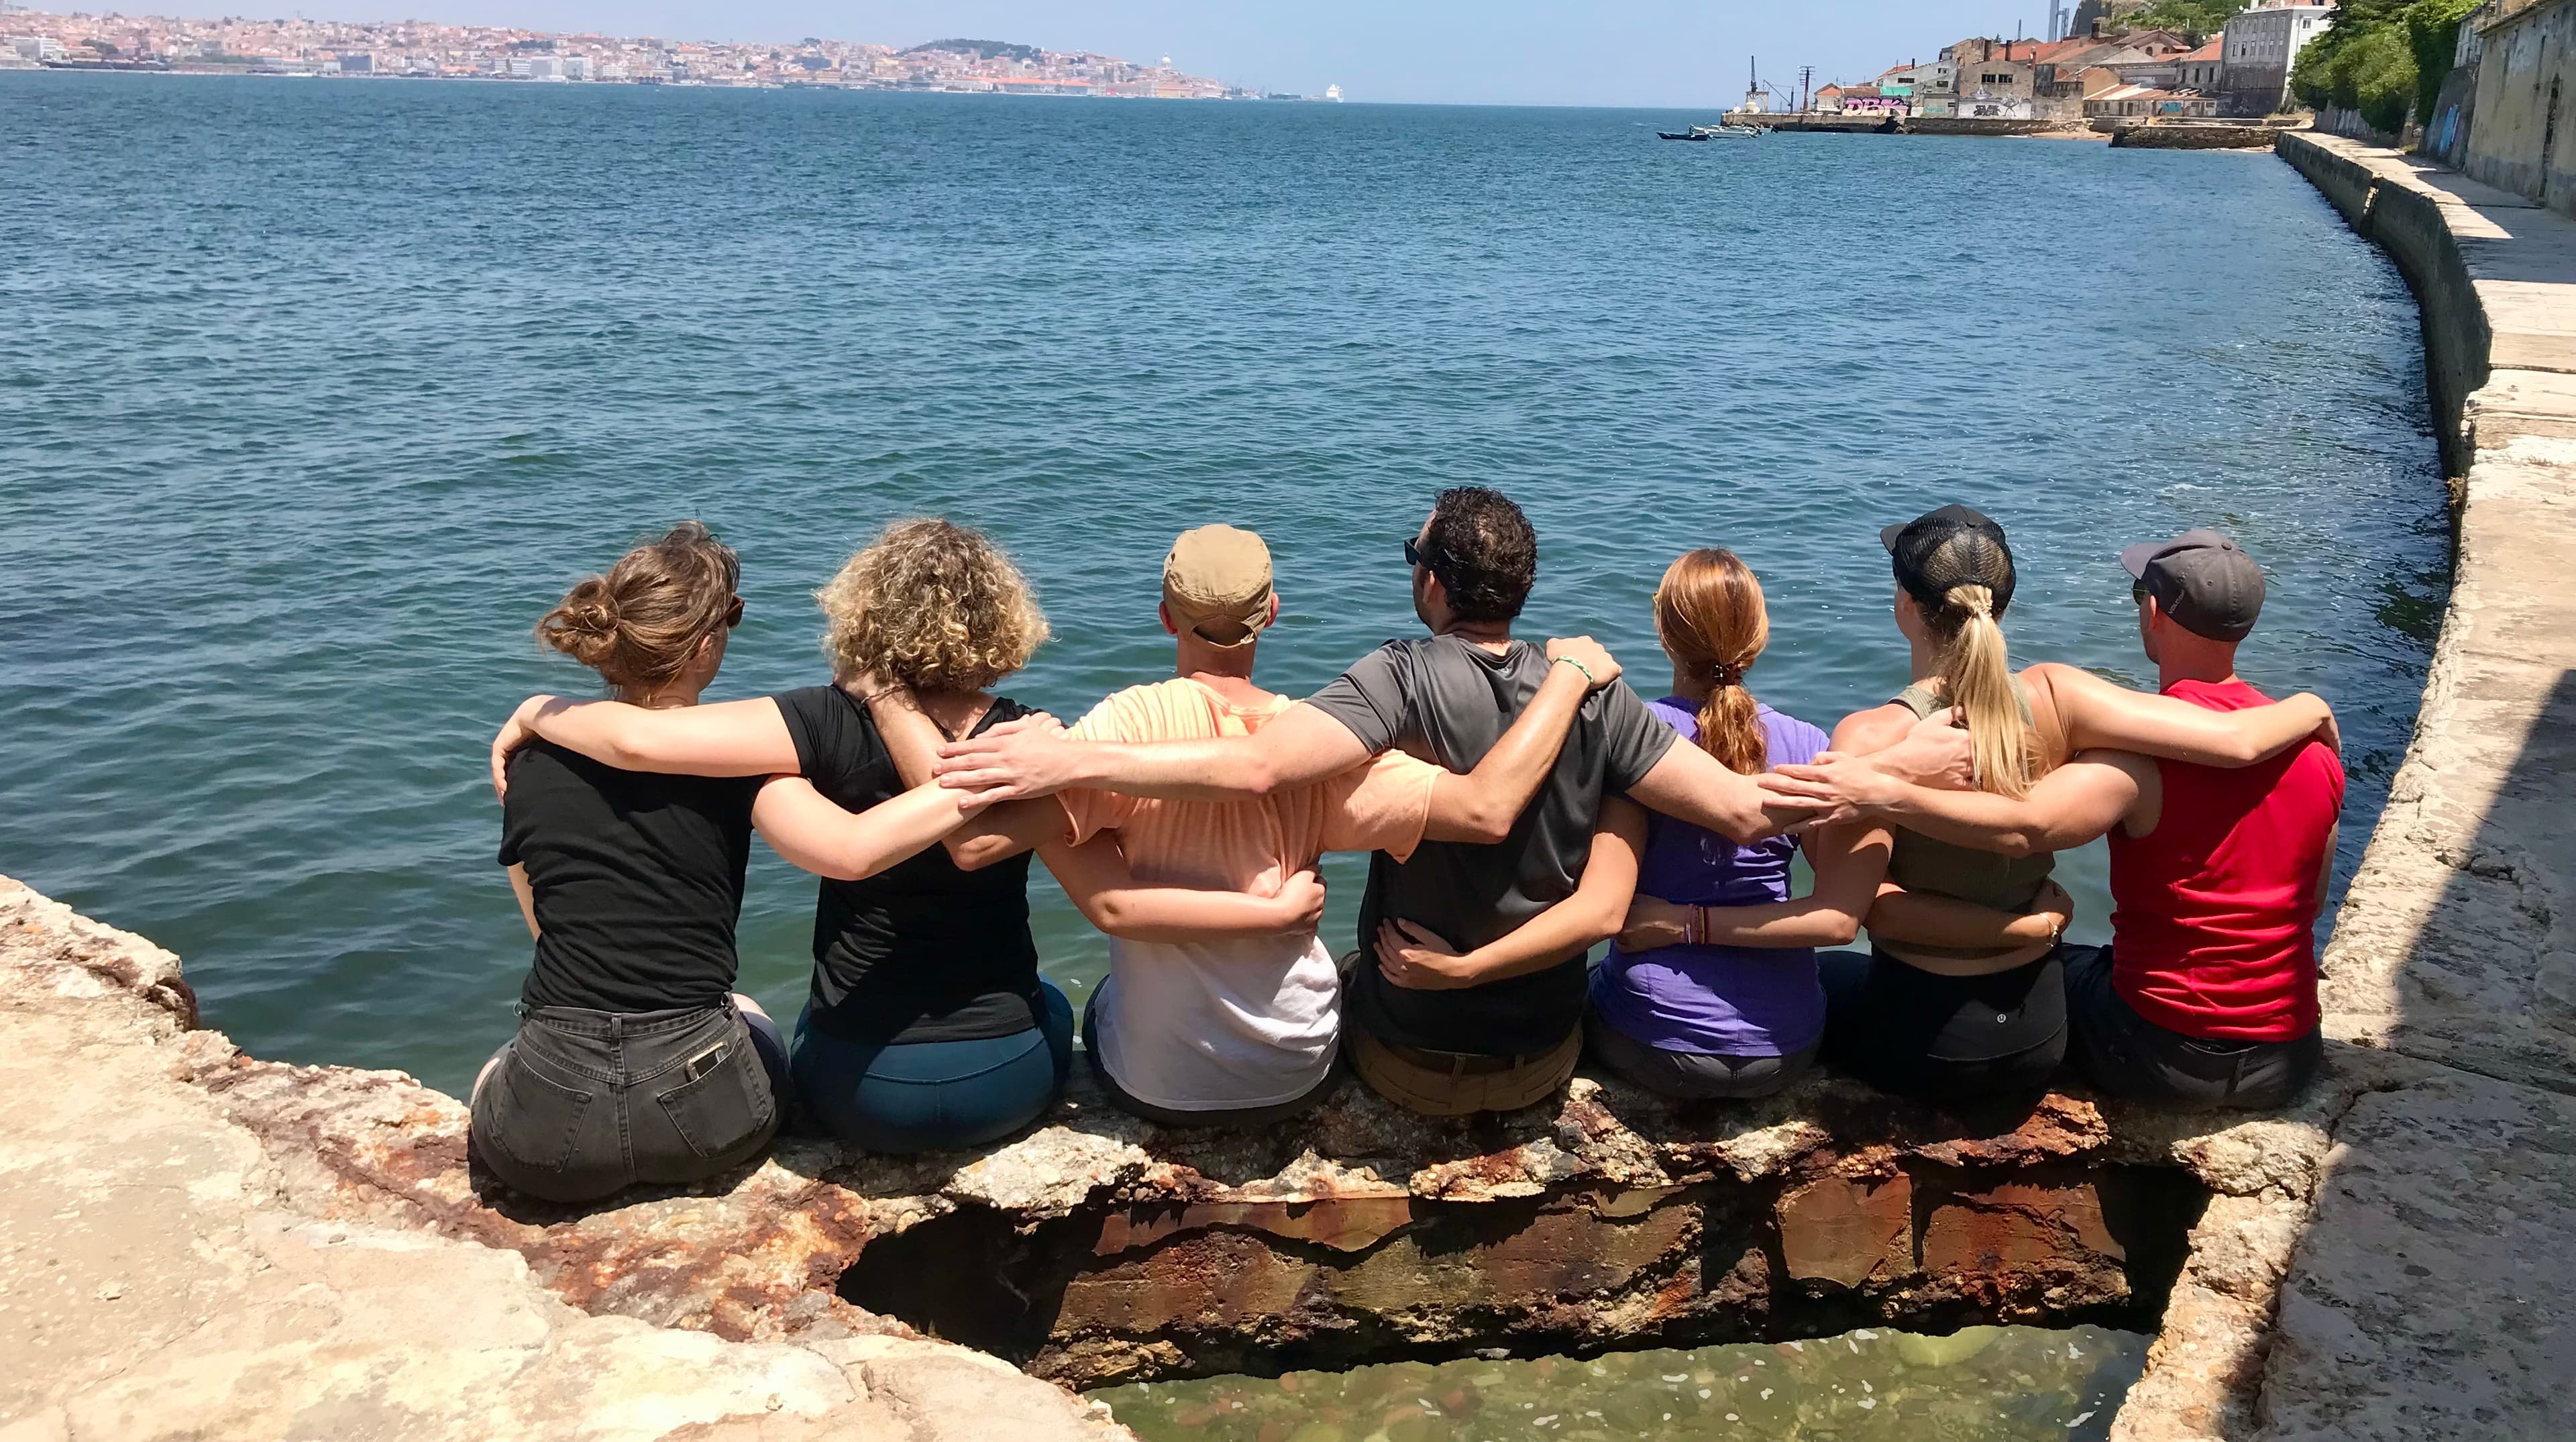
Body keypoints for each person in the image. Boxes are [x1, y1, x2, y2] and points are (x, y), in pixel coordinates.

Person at [936, 487, 1850, 1119]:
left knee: (1342, 968)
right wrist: (1881, 780)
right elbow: (1741, 811)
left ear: (1434, 586)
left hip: (1412, 1058)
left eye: (1415, 556)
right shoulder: (1603, 695)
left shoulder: (1400, 676)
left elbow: (1262, 766)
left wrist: (1075, 757)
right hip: (1546, 1058)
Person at [948, 523, 1625, 1128]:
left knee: (1092, 1005)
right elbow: (1478, 811)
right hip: (1298, 1065)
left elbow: (978, 842)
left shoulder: (1120, 732)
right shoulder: (1323, 750)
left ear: (1164, 618)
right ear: (1271, 615)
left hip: (1162, 1081)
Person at [490, 519, 1123, 1153]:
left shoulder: (805, 725)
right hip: (1001, 1084)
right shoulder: (1029, 741)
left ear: (863, 610)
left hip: (856, 1089)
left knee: (785, 1025)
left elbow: (640, 749)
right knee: (1047, 1002)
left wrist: (540, 712)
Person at [1761, 507, 2342, 1108]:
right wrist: (2310, 707)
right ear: (2001, 604)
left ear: (1905, 605)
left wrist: (1884, 786)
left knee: (1808, 983)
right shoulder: (2063, 696)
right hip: (2049, 1034)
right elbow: (2232, 742)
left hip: (1935, 1040)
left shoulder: (1870, 738)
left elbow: (1859, 913)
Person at [1588, 548, 1928, 1100]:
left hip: (1657, 1040)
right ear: (1760, 636)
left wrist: (1686, 924)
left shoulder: (1635, 735)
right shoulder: (1811, 746)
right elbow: (1840, 921)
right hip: (1785, 1047)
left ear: (1662, 629)